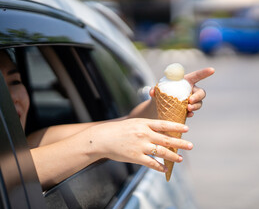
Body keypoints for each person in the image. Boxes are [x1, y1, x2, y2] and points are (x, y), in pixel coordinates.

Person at [0, 50, 215, 190]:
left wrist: (168, 95)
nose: (10, 97)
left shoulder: (34, 141)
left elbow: (127, 123)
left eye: (15, 81)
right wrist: (96, 143)